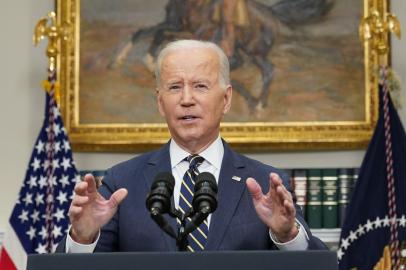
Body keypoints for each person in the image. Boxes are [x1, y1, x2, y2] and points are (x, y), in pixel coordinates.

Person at [56, 39, 326, 253]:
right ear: (160, 102)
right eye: (174, 87)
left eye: (200, 86)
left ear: (227, 99)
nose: (187, 99)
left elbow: (316, 264)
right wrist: (83, 236)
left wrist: (287, 235)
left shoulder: (265, 182)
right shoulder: (122, 182)